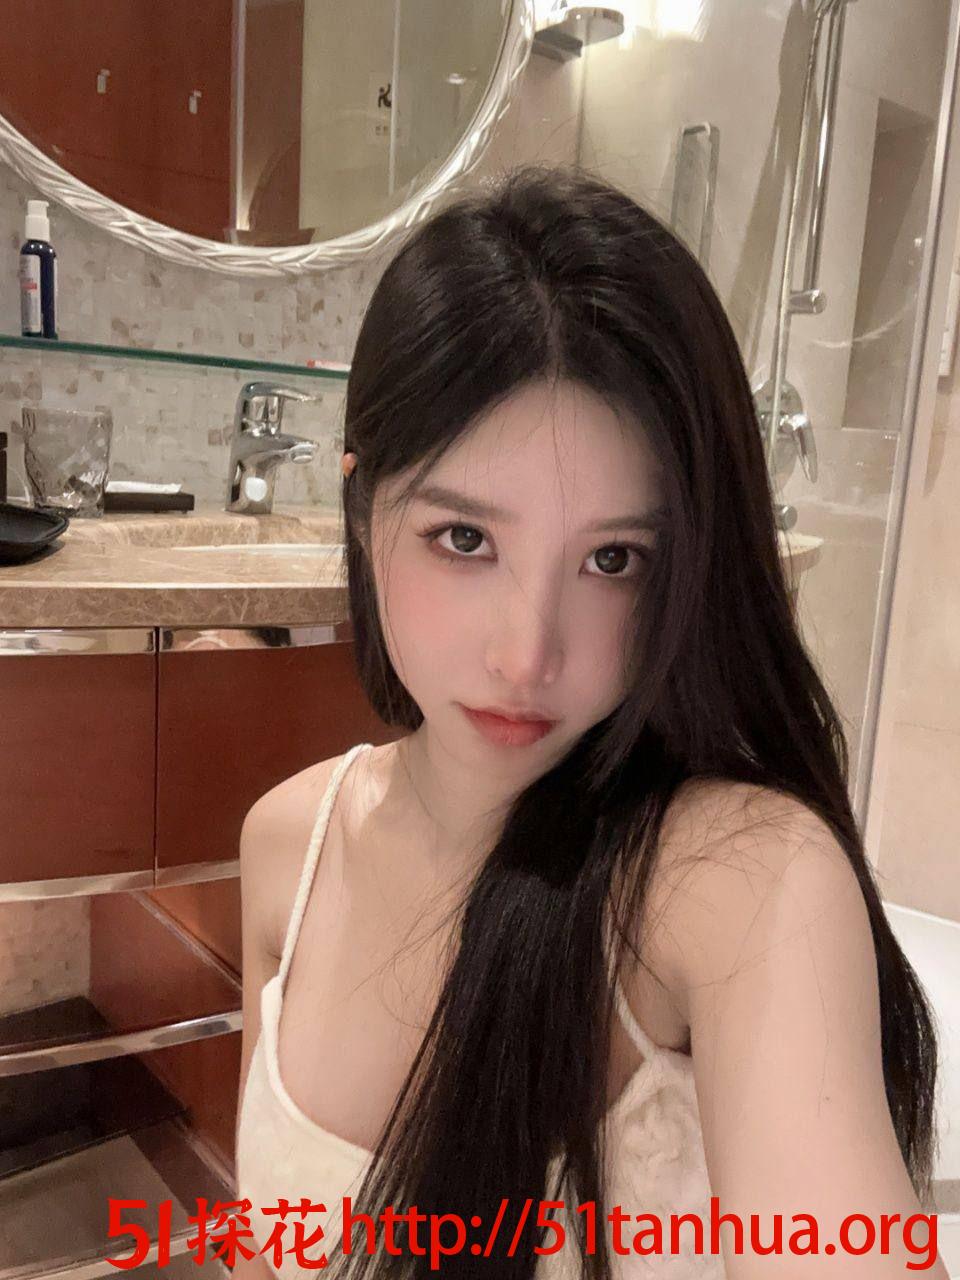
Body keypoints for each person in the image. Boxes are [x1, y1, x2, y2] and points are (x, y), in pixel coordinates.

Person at [232, 164, 945, 1279]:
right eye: (465, 539)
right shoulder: (288, 847)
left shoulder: (734, 884)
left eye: (613, 559)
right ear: (363, 506)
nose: (529, 654)